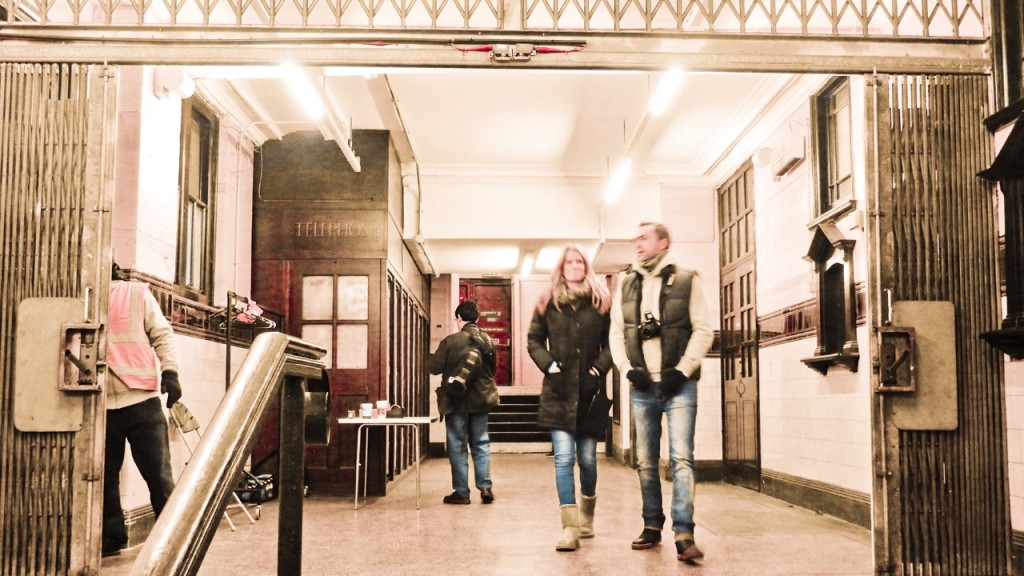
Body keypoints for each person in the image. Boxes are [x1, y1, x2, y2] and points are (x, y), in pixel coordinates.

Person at [608, 222, 714, 563]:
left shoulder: (686, 279)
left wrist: (682, 370)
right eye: (635, 238)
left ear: (663, 242)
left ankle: (684, 533)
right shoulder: (626, 284)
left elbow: (703, 330)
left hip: (678, 385)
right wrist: (627, 370)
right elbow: (615, 335)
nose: (637, 244)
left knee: (682, 459)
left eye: (644, 238)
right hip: (641, 385)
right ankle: (652, 525)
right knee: (645, 461)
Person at [526, 244, 613, 552]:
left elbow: (611, 344)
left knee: (588, 459)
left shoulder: (601, 301)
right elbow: (534, 339)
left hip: (589, 393)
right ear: (561, 268)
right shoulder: (547, 302)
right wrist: (549, 365)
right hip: (558, 391)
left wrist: (597, 370)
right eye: (569, 262)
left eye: (580, 261)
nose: (575, 266)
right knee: (564, 458)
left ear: (586, 266)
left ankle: (587, 517)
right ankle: (569, 528)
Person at [102, 263, 183, 557]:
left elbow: (162, 335)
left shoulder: (135, 293)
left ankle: (171, 536)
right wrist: (170, 374)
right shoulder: (79, 294)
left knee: (151, 475)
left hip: (138, 398)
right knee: (114, 476)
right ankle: (113, 538)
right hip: (105, 401)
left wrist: (170, 372)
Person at [427, 300, 499, 505]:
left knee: (457, 445)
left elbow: (434, 367)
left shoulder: (451, 341)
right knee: (481, 444)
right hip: (480, 400)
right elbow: (492, 371)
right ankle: (485, 487)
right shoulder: (487, 340)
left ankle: (461, 492)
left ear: (458, 318)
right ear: (477, 319)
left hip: (455, 399)